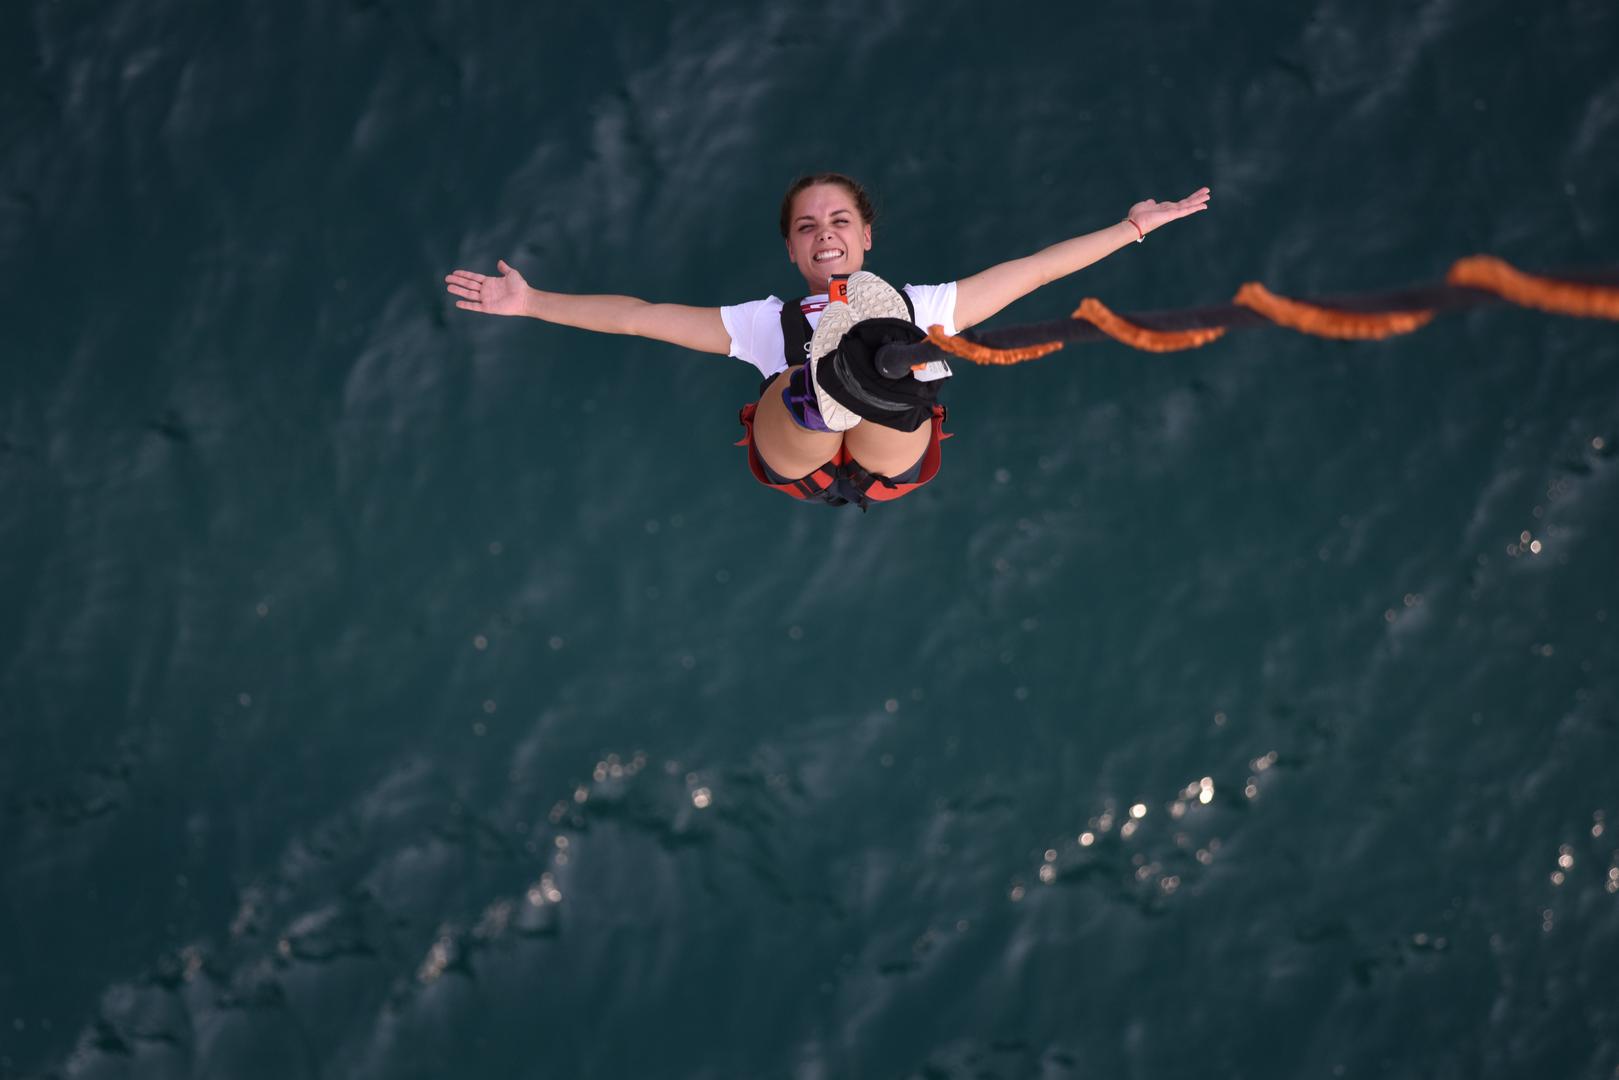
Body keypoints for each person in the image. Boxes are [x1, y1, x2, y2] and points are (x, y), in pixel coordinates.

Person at [444, 174, 1210, 508]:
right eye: (807, 227)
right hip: (799, 454)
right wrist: (532, 301)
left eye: (839, 220)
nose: (825, 234)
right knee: (826, 378)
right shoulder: (763, 323)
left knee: (889, 369)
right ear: (791, 251)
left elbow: (1037, 270)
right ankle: (830, 385)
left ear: (866, 234)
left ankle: (858, 379)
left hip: (888, 457)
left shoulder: (926, 304)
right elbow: (642, 315)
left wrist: (1133, 226)